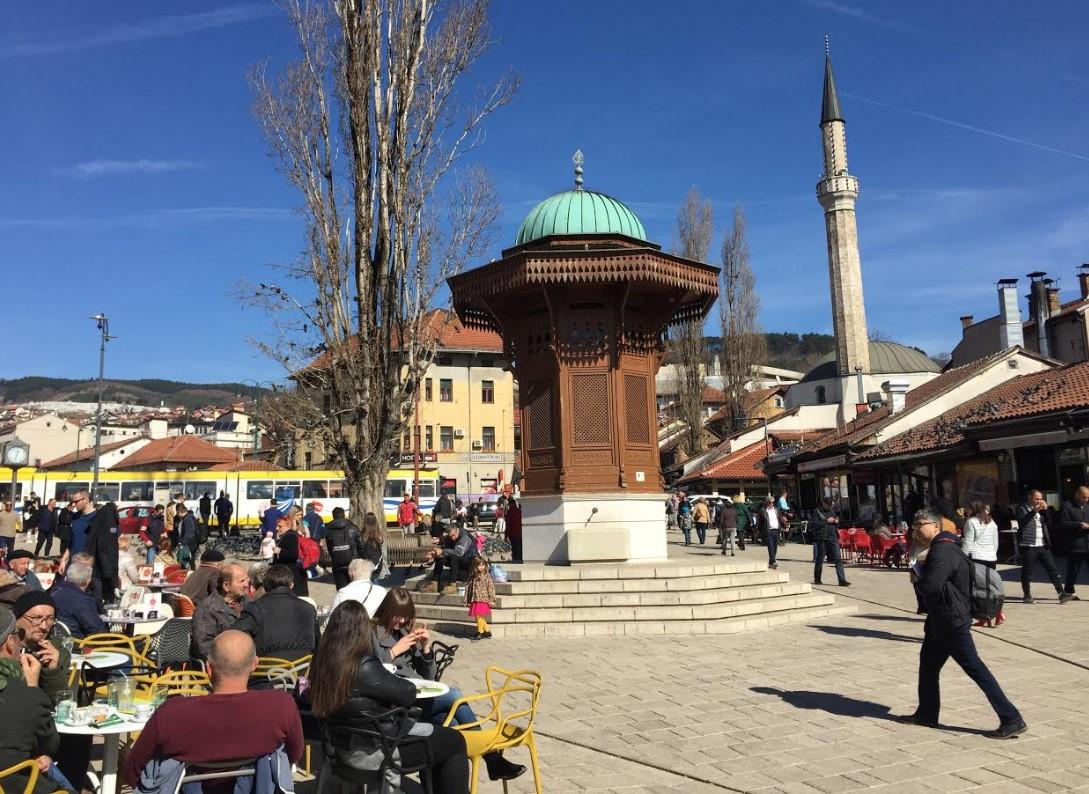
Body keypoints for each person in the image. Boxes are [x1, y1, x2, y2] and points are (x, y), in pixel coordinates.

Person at [307, 601, 470, 794]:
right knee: (455, 741)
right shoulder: (364, 665)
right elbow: (408, 693)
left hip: (341, 750)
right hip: (379, 751)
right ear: (362, 631)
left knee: (440, 730)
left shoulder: (321, 662)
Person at [123, 630, 304, 790]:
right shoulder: (281, 706)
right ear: (254, 665)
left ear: (208, 669)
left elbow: (133, 771)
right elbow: (293, 756)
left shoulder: (171, 713)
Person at [903, 509, 1026, 738]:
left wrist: (918, 577)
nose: (915, 528)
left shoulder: (943, 550)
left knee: (976, 669)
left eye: (920, 524)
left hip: (951, 620)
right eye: (914, 524)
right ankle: (927, 713)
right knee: (928, 666)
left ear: (935, 526)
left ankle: (1012, 718)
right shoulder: (944, 547)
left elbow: (932, 586)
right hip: (940, 620)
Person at [0, 608, 61, 794]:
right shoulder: (21, 694)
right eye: (18, 634)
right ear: (10, 642)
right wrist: (32, 688)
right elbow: (50, 744)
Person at [233, 564, 319, 662]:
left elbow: (234, 636)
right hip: (302, 668)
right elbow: (318, 643)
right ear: (291, 585)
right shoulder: (308, 608)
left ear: (265, 586)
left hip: (266, 670)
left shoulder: (255, 608)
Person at [13, 591, 71, 700]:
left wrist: (52, 671)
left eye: (50, 619)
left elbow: (60, 702)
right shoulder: (5, 649)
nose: (44, 626)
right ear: (17, 619)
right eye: (36, 618)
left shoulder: (56, 652)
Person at [1015, 490, 1069, 604]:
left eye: (1040, 499)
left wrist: (1045, 511)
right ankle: (1027, 595)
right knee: (1027, 572)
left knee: (1052, 569)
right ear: (1030, 497)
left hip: (1043, 545)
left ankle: (1061, 593)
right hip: (1028, 545)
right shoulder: (1022, 508)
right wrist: (1034, 511)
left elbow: (1049, 524)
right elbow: (1022, 522)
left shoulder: (1042, 511)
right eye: (1036, 499)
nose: (1039, 501)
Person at [191, 564, 251, 660]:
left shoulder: (249, 603)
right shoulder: (207, 608)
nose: (246, 585)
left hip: (248, 659)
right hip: (223, 663)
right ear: (226, 586)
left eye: (247, 580)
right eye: (242, 581)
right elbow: (204, 646)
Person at [50, 561, 106, 639]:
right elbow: (97, 629)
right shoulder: (82, 600)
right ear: (88, 580)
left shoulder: (54, 592)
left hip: (55, 638)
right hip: (76, 644)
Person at [420, 524, 474, 593]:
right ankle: (434, 584)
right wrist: (434, 554)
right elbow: (445, 549)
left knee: (453, 556)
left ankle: (453, 585)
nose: (452, 538)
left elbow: (459, 552)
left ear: (457, 530)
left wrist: (442, 551)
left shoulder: (465, 537)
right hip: (458, 561)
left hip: (470, 561)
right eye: (450, 536)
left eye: (453, 535)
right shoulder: (450, 537)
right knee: (440, 557)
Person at [85, 500, 121, 601]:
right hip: (104, 565)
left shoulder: (103, 518)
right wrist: (108, 571)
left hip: (97, 562)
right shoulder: (109, 519)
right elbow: (105, 546)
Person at [1059, 485, 1089, 600]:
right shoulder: (1067, 506)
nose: (1086, 500)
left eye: (1087, 498)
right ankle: (1069, 592)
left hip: (1088, 543)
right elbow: (1063, 522)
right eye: (1084, 497)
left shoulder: (1087, 506)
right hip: (1075, 545)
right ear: (1077, 495)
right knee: (1073, 570)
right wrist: (1079, 524)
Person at [325, 507, 365, 590]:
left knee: (341, 590)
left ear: (333, 516)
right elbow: (361, 546)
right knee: (354, 589)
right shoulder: (353, 528)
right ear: (344, 515)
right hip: (352, 563)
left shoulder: (329, 529)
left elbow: (329, 548)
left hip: (337, 564)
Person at [813, 498, 850, 587]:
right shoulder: (817, 512)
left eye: (831, 505)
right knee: (820, 559)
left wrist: (836, 521)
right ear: (824, 503)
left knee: (838, 559)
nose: (830, 507)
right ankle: (817, 578)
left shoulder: (831, 511)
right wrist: (826, 521)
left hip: (833, 538)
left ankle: (842, 580)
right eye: (828, 505)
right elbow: (814, 524)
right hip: (823, 538)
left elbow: (836, 523)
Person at [272, 515, 308, 597]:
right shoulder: (293, 535)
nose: (277, 528)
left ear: (288, 525)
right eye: (277, 526)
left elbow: (293, 554)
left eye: (280, 526)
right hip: (296, 574)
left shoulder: (290, 536)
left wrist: (279, 551)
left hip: (293, 576)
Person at [464, 556, 495, 642]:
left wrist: (491, 599)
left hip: (483, 599)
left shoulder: (487, 576)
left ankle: (480, 632)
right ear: (475, 566)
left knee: (479, 615)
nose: (481, 567)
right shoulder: (472, 576)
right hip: (475, 599)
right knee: (478, 615)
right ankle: (487, 631)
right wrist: (466, 599)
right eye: (479, 565)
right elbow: (468, 588)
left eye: (483, 565)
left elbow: (491, 587)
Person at [757, 496, 783, 570]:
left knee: (775, 548)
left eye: (772, 502)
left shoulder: (776, 510)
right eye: (770, 502)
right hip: (768, 531)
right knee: (770, 546)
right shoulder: (763, 510)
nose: (771, 504)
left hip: (776, 531)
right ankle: (774, 561)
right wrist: (758, 531)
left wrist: (784, 526)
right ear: (766, 503)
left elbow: (780, 519)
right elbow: (759, 522)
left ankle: (771, 563)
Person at [360, 512, 386, 577]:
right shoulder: (379, 533)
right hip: (377, 564)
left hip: (365, 564)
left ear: (365, 521)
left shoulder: (362, 534)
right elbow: (382, 544)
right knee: (375, 582)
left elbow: (360, 546)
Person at [175, 503, 201, 570]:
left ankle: (189, 573)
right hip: (191, 542)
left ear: (179, 512)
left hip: (190, 543)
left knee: (187, 560)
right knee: (190, 559)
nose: (177, 515)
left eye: (177, 513)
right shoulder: (188, 517)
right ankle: (190, 572)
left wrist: (182, 543)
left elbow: (189, 533)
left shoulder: (187, 519)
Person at [505, 498, 523, 563]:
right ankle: (520, 559)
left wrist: (506, 535)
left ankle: (516, 560)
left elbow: (508, 525)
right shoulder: (520, 511)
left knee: (515, 547)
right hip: (521, 533)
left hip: (513, 534)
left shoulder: (510, 512)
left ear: (509, 504)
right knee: (520, 547)